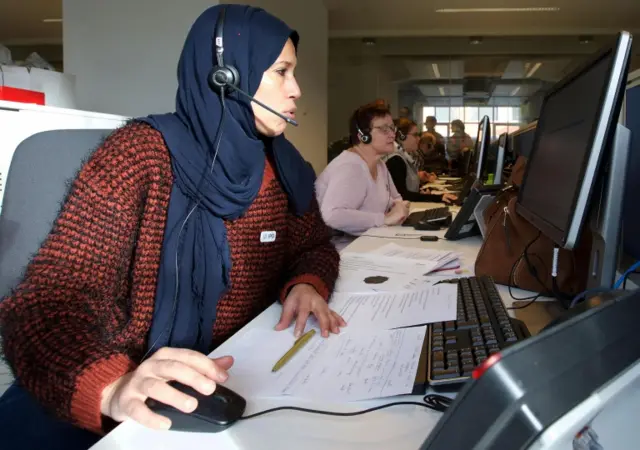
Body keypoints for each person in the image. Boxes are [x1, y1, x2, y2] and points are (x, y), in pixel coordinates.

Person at [0, 5, 345, 449]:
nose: (297, 90)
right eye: (281, 72)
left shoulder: (282, 166)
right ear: (227, 76)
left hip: (221, 377)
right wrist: (113, 387)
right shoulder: (138, 156)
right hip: (107, 387)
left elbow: (314, 245)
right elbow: (43, 304)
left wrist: (307, 282)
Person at [316, 102, 409, 236]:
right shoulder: (350, 167)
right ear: (363, 136)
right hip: (343, 248)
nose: (392, 135)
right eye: (384, 129)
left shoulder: (379, 164)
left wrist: (399, 207)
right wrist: (384, 219)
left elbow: (396, 198)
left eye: (392, 128)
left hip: (368, 240)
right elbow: (332, 216)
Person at [386, 118, 458, 203]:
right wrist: (438, 198)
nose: (418, 139)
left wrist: (425, 192)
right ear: (402, 136)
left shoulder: (403, 157)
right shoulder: (395, 160)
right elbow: (403, 195)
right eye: (415, 135)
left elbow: (409, 189)